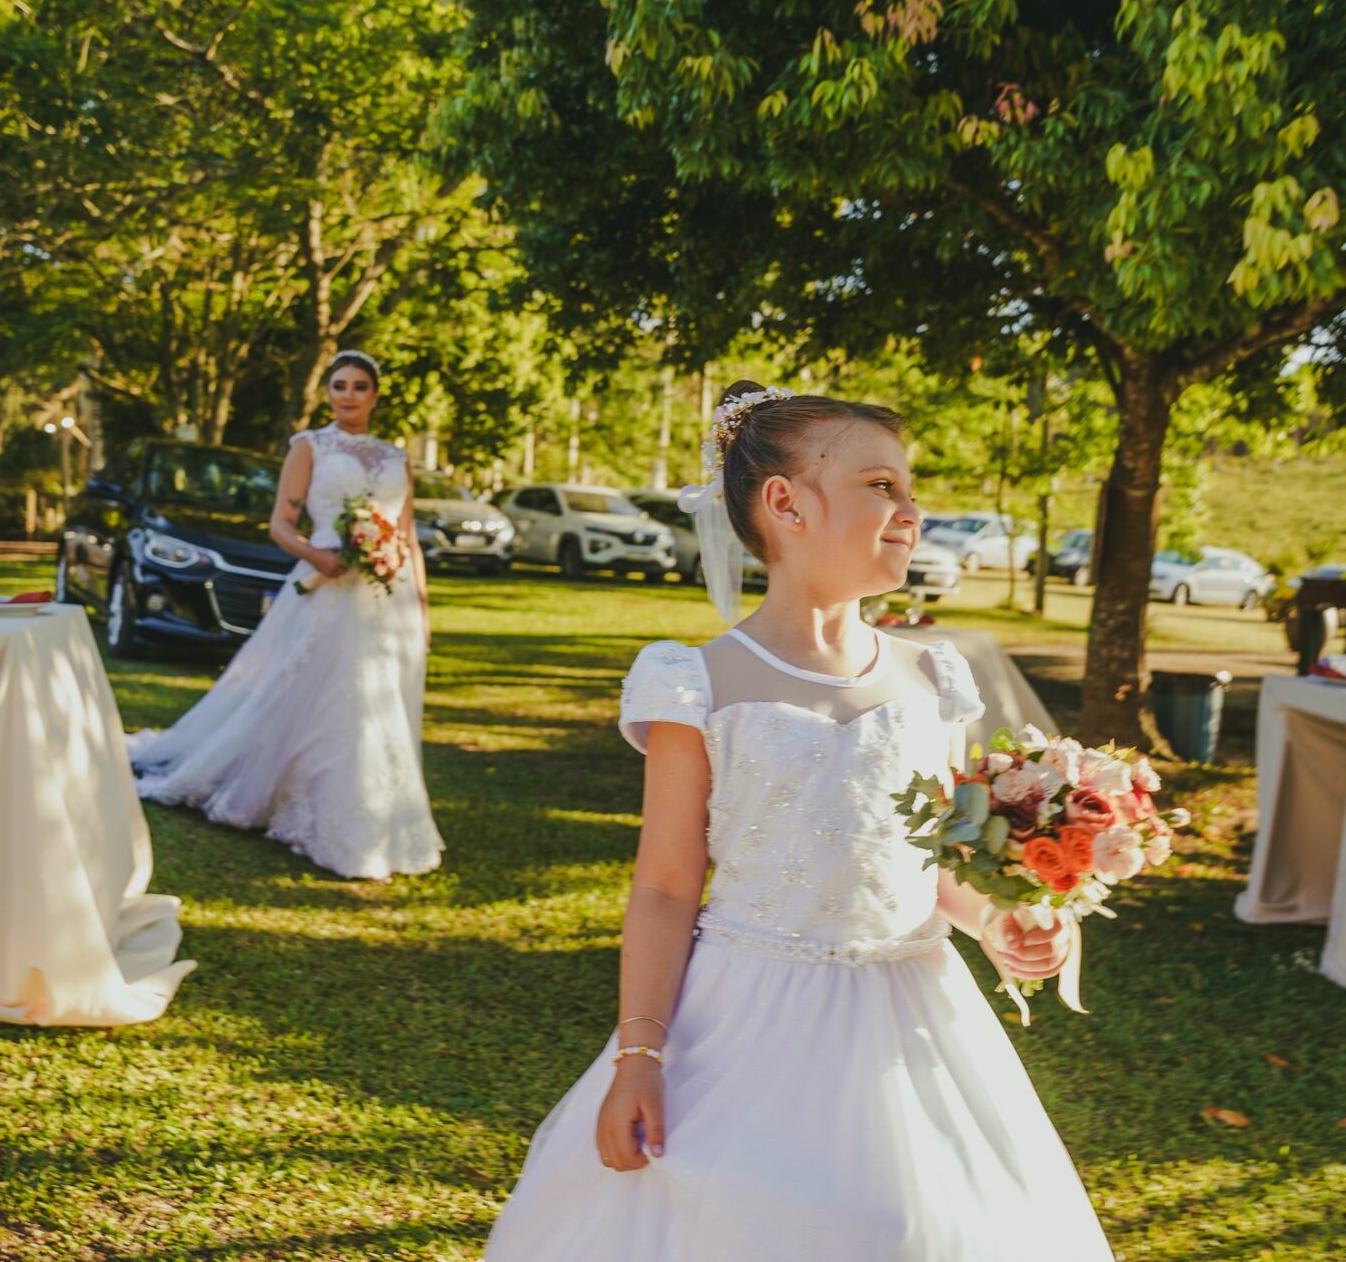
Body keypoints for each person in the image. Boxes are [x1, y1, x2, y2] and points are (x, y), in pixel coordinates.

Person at [483, 381, 1112, 1260]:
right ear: (786, 503)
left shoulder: (935, 679)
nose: (912, 510)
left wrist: (1001, 921)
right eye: (881, 485)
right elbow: (665, 888)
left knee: (913, 1229)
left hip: (912, 1018)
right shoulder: (695, 684)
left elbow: (935, 868)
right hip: (746, 1017)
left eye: (909, 489)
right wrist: (640, 1059)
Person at [127, 351, 443, 880]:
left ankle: (376, 812)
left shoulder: (395, 456)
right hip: (324, 588)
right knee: (317, 693)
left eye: (359, 386)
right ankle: (310, 806)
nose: (348, 395)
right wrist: (318, 555)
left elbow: (406, 536)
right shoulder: (309, 446)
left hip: (388, 598)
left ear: (375, 395)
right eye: (338, 385)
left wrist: (422, 609)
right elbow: (281, 524)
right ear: (327, 394)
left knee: (376, 702)